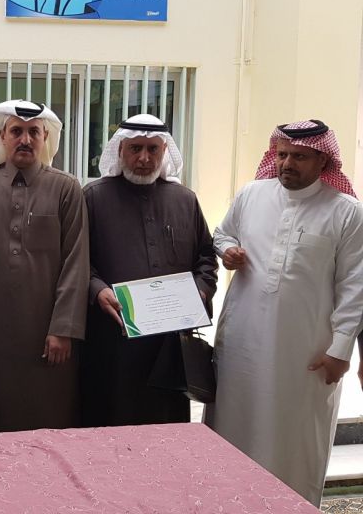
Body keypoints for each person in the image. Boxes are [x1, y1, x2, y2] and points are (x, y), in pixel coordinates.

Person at [205, 119, 363, 505]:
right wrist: (227, 251)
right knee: (232, 433)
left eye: (299, 157)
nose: (287, 164)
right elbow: (222, 233)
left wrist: (341, 351)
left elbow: (355, 286)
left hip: (306, 355)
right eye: (282, 155)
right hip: (242, 346)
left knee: (296, 441)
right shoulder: (251, 194)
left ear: (323, 160)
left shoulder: (346, 212)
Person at [0, 99, 88, 432]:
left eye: (34, 132)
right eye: (16, 131)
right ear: (2, 136)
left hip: (44, 328)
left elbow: (76, 260)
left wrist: (63, 329)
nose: (25, 140)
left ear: (46, 137)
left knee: (47, 411)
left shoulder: (66, 188)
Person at [80, 114, 218, 426]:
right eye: (135, 148)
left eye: (153, 149)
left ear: (164, 151)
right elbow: (77, 259)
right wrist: (97, 289)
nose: (144, 158)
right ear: (120, 150)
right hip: (113, 338)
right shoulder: (94, 197)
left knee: (164, 424)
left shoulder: (185, 200)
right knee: (110, 420)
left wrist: (200, 290)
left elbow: (206, 257)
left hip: (169, 345)